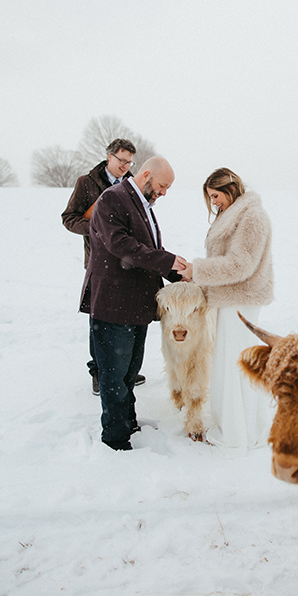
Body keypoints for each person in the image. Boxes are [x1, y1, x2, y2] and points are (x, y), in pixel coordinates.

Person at [79, 156, 187, 451]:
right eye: (163, 186)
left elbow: (148, 251)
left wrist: (177, 272)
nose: (164, 192)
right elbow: (121, 245)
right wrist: (166, 261)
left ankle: (128, 422)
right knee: (114, 375)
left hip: (135, 305)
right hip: (113, 304)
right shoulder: (112, 199)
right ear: (147, 175)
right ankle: (116, 439)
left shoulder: (142, 205)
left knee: (128, 373)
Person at [178, 168, 274, 450]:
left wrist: (199, 270)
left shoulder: (252, 217)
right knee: (232, 364)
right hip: (230, 299)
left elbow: (241, 265)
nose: (213, 202)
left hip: (241, 299)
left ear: (230, 189)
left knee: (236, 366)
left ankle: (235, 435)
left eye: (216, 196)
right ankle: (246, 429)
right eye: (210, 198)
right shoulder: (233, 215)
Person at [62, 138, 146, 394]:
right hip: (99, 262)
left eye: (130, 162)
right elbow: (69, 218)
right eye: (122, 160)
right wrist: (97, 229)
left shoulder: (133, 185)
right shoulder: (86, 183)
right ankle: (99, 371)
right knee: (99, 318)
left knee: (125, 315)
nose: (125, 166)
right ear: (109, 156)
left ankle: (122, 368)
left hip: (128, 263)